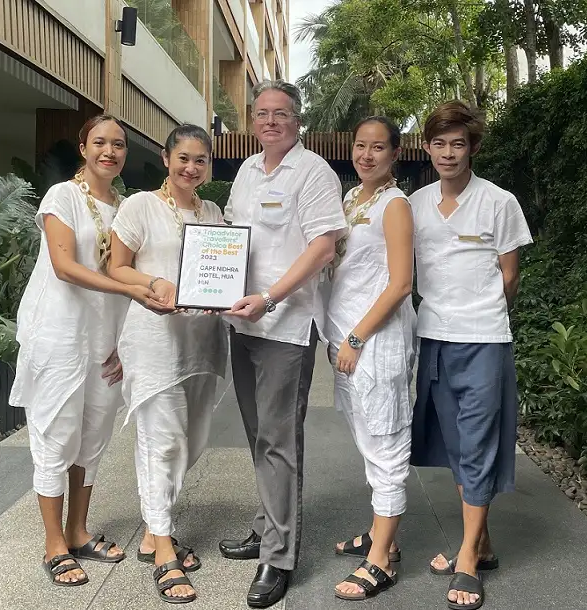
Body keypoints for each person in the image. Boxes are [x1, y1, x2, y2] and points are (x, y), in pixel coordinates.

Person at [9, 114, 167, 587]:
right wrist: (133, 291)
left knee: (92, 438)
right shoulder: (63, 196)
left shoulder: (125, 208)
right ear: (83, 148)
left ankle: (78, 531)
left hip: (105, 340)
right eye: (100, 142)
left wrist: (124, 335)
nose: (109, 152)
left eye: (118, 144)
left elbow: (130, 266)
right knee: (55, 435)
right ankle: (54, 543)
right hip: (58, 336)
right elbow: (64, 266)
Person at [217, 79, 347, 609]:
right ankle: (266, 527)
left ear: (297, 121)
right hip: (241, 322)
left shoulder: (313, 172)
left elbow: (323, 247)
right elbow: (230, 238)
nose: (270, 121)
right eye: (262, 113)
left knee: (278, 439)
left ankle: (278, 557)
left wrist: (269, 298)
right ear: (252, 121)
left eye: (281, 113)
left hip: (284, 327)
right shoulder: (247, 170)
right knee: (259, 436)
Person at [409, 101, 533, 610]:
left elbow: (510, 276)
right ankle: (481, 542)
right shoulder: (415, 204)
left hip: (484, 339)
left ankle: (466, 559)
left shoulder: (499, 202)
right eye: (439, 143)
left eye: (457, 143)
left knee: (478, 441)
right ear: (427, 147)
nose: (448, 153)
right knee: (458, 445)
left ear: (473, 147)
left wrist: (479, 315)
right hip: (434, 337)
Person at [108, 124, 228, 604]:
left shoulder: (213, 213)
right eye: (184, 158)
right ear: (166, 157)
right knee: (162, 442)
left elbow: (222, 270)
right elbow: (117, 267)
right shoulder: (140, 206)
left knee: (191, 441)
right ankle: (163, 550)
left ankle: (152, 531)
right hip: (155, 339)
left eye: (200, 160)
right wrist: (154, 283)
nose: (191, 168)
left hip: (202, 342)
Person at [325, 116, 416, 601]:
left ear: (394, 153)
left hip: (374, 344)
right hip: (347, 343)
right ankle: (383, 535)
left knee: (385, 443)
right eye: (360, 145)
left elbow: (400, 284)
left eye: (378, 147)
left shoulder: (395, 204)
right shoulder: (350, 199)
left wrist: (358, 337)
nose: (366, 155)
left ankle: (380, 559)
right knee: (366, 440)